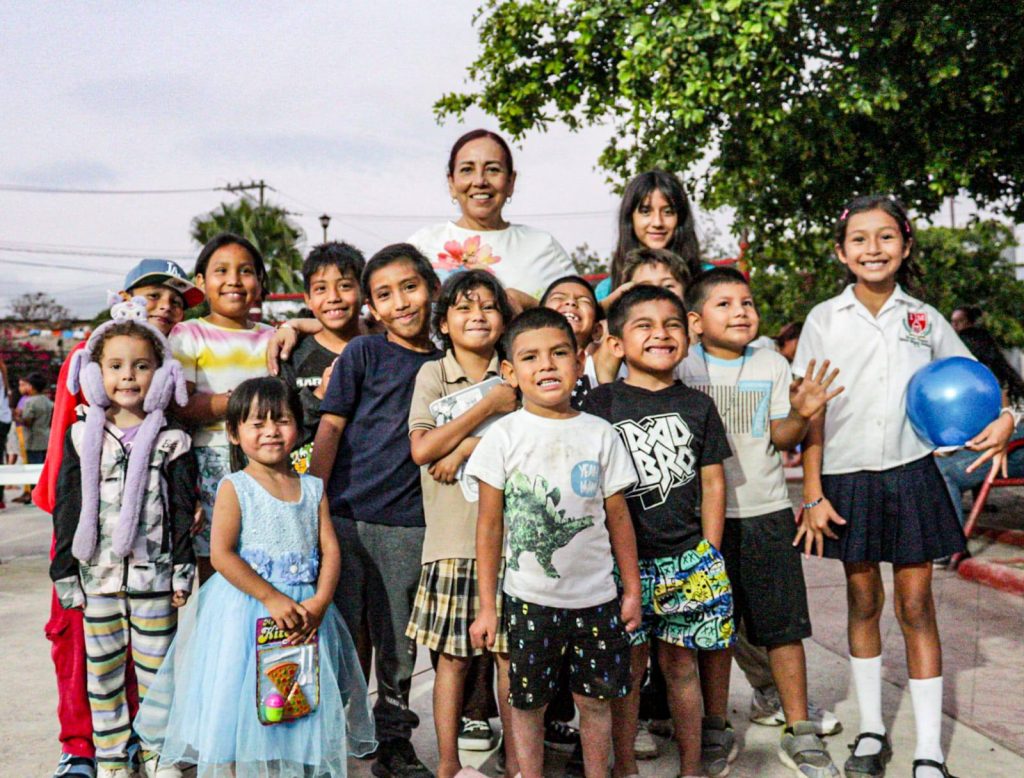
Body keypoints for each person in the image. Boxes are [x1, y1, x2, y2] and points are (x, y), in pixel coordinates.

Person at [794, 194, 1016, 778]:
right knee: (864, 600)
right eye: (860, 239)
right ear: (842, 252)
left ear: (906, 245)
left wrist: (1005, 417)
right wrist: (812, 493)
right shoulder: (824, 319)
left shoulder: (924, 318)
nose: (874, 248)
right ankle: (871, 732)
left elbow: (977, 381)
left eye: (886, 236)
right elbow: (810, 414)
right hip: (846, 477)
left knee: (916, 605)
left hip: (912, 473)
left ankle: (928, 753)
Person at [135, 377, 376, 776]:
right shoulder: (236, 487)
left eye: (281, 420)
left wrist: (320, 601)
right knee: (243, 703)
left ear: (297, 427)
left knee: (298, 698)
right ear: (234, 433)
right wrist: (270, 597)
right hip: (246, 613)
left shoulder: (312, 487)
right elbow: (222, 555)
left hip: (305, 613)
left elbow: (330, 549)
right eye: (257, 423)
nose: (270, 431)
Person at [33, 259, 203, 778]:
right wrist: (65, 566)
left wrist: (180, 568)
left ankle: (154, 751)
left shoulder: (172, 436)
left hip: (153, 577)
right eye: (154, 295)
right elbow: (67, 488)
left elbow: (178, 506)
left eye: (176, 301)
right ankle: (92, 752)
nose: (166, 306)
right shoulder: (85, 405)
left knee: (157, 675)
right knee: (93, 668)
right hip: (95, 570)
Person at [679, 269, 842, 777]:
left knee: (783, 628)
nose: (740, 312)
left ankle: (799, 728)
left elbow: (782, 435)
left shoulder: (770, 362)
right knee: (715, 629)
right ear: (695, 322)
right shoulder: (683, 366)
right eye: (724, 304)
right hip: (703, 520)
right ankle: (714, 725)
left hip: (766, 512)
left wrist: (802, 414)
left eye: (746, 302)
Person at [467, 307, 642, 778]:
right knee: (528, 704)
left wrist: (631, 590)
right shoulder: (502, 436)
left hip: (597, 599)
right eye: (530, 357)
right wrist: (487, 607)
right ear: (510, 373)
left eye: (559, 353)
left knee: (596, 702)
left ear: (580, 362)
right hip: (528, 600)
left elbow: (618, 519)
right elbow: (489, 527)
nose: (546, 365)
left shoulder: (601, 434)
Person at [583, 286, 734, 778]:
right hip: (617, 566)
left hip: (685, 561)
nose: (660, 334)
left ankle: (691, 768)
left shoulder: (699, 406)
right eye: (643, 325)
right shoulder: (600, 402)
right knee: (627, 670)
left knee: (681, 668)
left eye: (671, 324)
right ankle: (625, 767)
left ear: (687, 337)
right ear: (616, 343)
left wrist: (709, 551)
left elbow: (713, 483)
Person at [310, 244, 442, 778]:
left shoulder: (447, 363)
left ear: (433, 287)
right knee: (337, 639)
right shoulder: (363, 354)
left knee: (398, 647)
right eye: (384, 295)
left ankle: (394, 742)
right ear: (372, 307)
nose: (400, 302)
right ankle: (330, 739)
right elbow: (330, 428)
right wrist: (312, 505)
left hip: (409, 524)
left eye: (410, 287)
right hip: (343, 517)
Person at [404, 270, 518, 778]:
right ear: (443, 323)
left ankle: (518, 761)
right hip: (451, 542)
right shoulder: (433, 374)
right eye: (464, 307)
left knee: (510, 659)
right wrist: (489, 406)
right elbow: (423, 450)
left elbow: (527, 437)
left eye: (489, 306)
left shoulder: (515, 370)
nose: (478, 316)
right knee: (451, 660)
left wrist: (467, 448)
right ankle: (448, 764)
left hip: (513, 543)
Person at [170, 234, 275, 582]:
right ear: (201, 282)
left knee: (266, 554)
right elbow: (180, 404)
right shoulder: (188, 334)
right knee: (217, 560)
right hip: (212, 460)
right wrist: (236, 404)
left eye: (246, 271)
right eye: (222, 271)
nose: (234, 280)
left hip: (268, 460)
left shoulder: (272, 336)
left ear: (259, 280)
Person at [407, 129, 576, 309]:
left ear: (511, 182)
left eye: (493, 169)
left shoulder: (543, 247)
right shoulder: (422, 244)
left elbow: (582, 316)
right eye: (467, 170)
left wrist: (532, 307)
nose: (480, 181)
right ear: (451, 183)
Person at [277, 241, 366, 473]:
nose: (333, 297)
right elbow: (280, 431)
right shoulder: (292, 355)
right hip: (311, 481)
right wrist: (319, 396)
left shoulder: (382, 349)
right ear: (307, 298)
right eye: (320, 289)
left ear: (364, 291)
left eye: (345, 286)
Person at [935, 324, 1024, 530]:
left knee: (943, 472)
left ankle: (951, 543)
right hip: (1006, 445)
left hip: (1014, 448)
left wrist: (947, 451)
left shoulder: (990, 382)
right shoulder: (993, 377)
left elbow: (994, 429)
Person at [593, 170, 702, 303]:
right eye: (645, 211)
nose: (657, 222)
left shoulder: (708, 278)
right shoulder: (606, 291)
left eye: (668, 212)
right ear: (630, 218)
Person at [16, 371, 53, 465]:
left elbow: (28, 422)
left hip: (33, 442)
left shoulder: (30, 402)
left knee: (33, 467)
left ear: (31, 387)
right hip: (46, 439)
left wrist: (16, 417)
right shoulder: (47, 400)